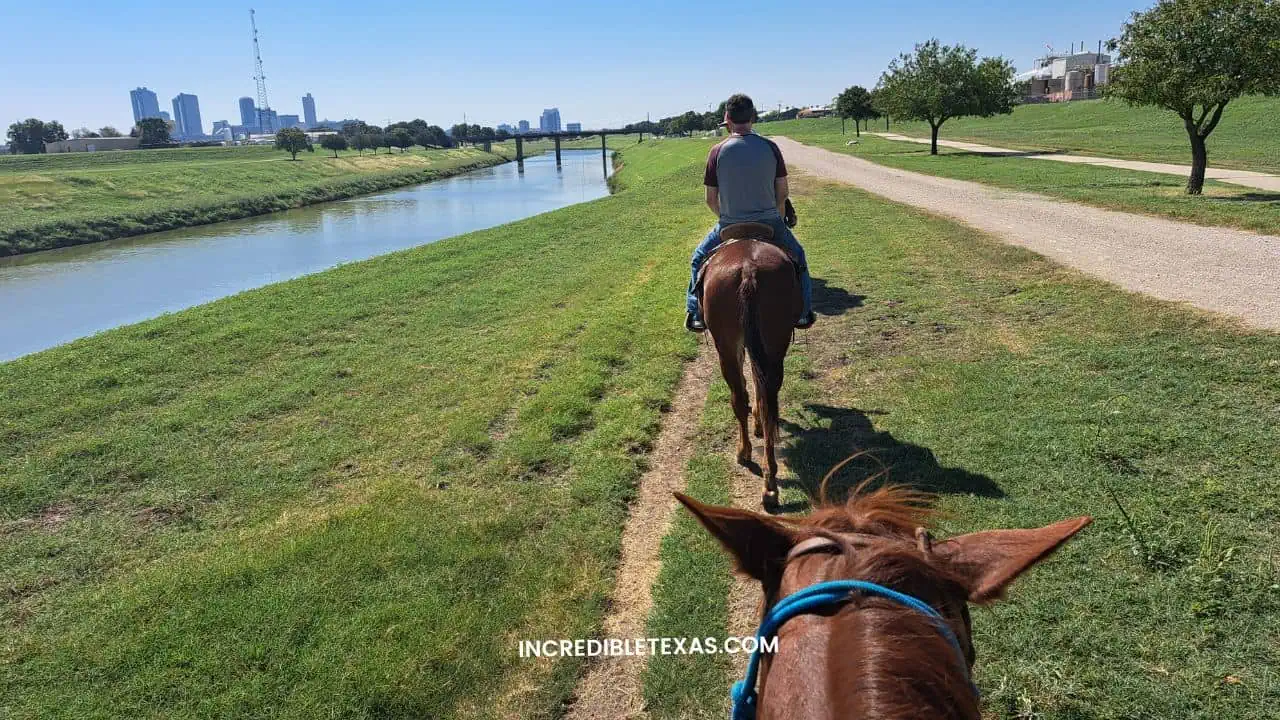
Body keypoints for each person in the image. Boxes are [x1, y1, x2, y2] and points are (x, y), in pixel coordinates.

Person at [686, 93, 815, 333]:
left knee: (698, 258)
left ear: (727, 117)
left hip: (729, 223)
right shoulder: (771, 147)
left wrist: (726, 217)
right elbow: (783, 192)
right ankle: (804, 311)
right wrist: (776, 217)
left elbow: (710, 199)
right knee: (798, 255)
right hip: (769, 221)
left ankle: (695, 312)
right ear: (753, 118)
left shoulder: (717, 151)